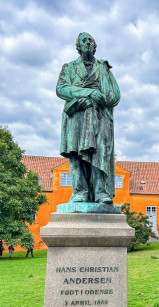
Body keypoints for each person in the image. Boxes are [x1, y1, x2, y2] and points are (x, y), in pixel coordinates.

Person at [56, 32, 120, 204]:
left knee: (100, 152)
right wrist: (88, 93)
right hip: (77, 114)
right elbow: (61, 89)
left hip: (99, 115)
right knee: (76, 153)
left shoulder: (103, 68)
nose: (88, 43)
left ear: (94, 45)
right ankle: (80, 192)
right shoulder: (69, 67)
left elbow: (115, 94)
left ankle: (101, 192)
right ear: (78, 46)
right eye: (84, 41)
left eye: (90, 41)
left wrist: (100, 99)